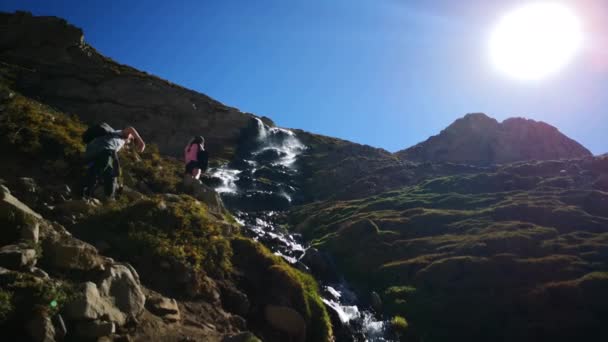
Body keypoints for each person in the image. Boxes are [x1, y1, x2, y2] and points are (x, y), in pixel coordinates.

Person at [83, 125, 145, 199]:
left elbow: (114, 159)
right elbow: (130, 129)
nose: (129, 143)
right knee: (98, 171)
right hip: (103, 150)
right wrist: (141, 141)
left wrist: (116, 171)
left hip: (93, 150)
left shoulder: (115, 140)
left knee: (108, 174)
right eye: (131, 140)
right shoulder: (121, 134)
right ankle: (86, 194)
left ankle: (108, 197)